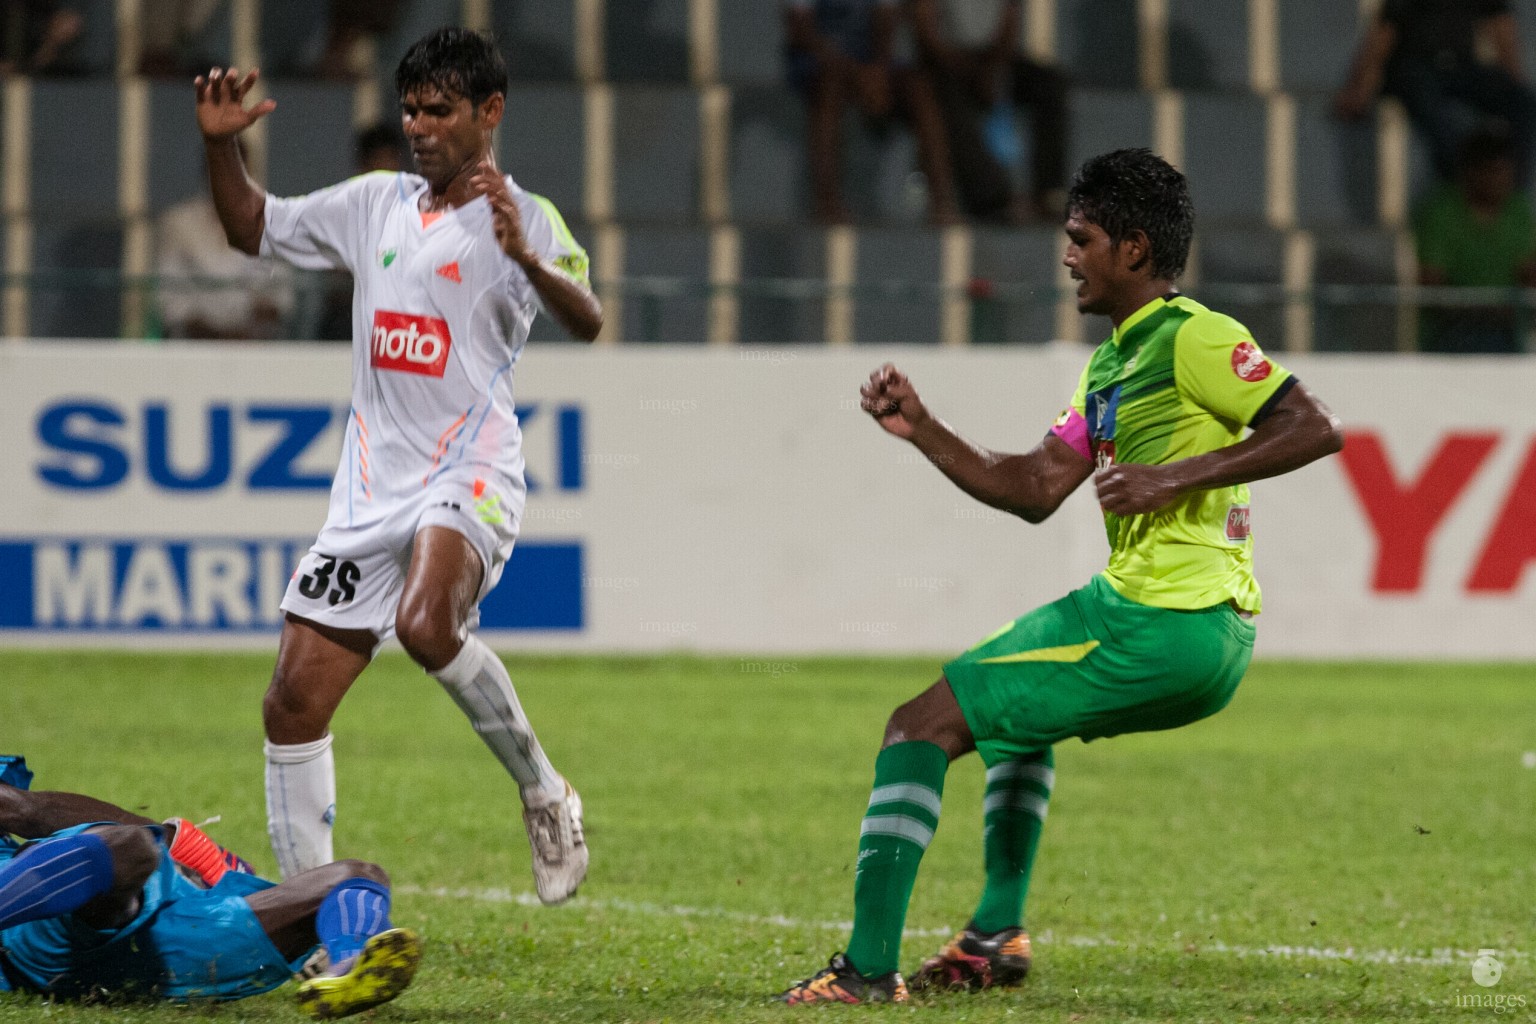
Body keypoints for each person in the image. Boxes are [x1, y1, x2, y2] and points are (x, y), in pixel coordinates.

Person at [779, 148, 1345, 1003]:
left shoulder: (1197, 335)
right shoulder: (1113, 363)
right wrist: (924, 428)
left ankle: (865, 972)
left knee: (916, 729)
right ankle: (993, 937)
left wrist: (1170, 477)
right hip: (1182, 622)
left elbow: (1315, 426)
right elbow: (1037, 487)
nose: (1068, 255)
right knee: (1017, 723)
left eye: (1081, 239)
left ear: (1136, 249)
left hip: (1164, 620)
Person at [192, 27, 603, 903]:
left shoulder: (526, 218)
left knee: (425, 625)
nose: (419, 126)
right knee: (291, 703)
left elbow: (590, 316)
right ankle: (306, 921)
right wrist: (221, 144)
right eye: (411, 108)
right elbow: (250, 226)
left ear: (489, 113)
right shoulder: (375, 201)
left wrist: (528, 258)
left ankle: (543, 789)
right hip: (370, 493)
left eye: (440, 110)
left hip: (471, 474)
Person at [0, 756, 421, 1019]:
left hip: (168, 946)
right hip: (49, 930)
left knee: (358, 875)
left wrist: (186, 853)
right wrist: (169, 838)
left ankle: (345, 967)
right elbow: (25, 811)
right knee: (133, 848)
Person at [784, 0, 961, 225]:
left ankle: (942, 201)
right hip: (818, 63)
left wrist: (876, 71)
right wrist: (853, 71)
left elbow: (885, 21)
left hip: (868, 64)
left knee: (919, 88)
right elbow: (800, 31)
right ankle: (826, 201)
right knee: (829, 85)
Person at [1334, 0, 1536, 188]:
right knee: (1438, 113)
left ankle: (1510, 191)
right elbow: (1384, 34)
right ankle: (1463, 183)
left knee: (1524, 103)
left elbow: (1501, 23)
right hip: (1415, 68)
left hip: (1462, 67)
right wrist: (1360, 87)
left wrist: (1514, 83)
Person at [908, 0, 1069, 223]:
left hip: (993, 58)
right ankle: (992, 198)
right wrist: (962, 67)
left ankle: (1049, 193)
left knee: (1049, 83)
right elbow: (925, 31)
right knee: (941, 91)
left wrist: (991, 69)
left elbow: (1009, 20)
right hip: (945, 61)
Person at [155, 143, 297, 341]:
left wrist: (246, 330)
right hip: (193, 349)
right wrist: (217, 335)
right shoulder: (179, 224)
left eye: (238, 171)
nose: (230, 179)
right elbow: (172, 303)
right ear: (208, 172)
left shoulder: (271, 222)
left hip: (255, 348)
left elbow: (280, 300)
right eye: (222, 169)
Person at [1413, 127, 1536, 353]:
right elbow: (1432, 287)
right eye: (1494, 172)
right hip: (1450, 333)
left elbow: (1528, 277)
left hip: (1505, 333)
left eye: (1506, 172)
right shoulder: (1442, 211)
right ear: (1472, 173)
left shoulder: (1518, 212)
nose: (1502, 181)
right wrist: (1488, 311)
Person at [316, 122, 411, 342]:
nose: (383, 182)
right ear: (362, 169)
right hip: (350, 318)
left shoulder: (416, 213)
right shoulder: (342, 212)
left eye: (390, 169)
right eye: (376, 171)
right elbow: (335, 280)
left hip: (402, 319)